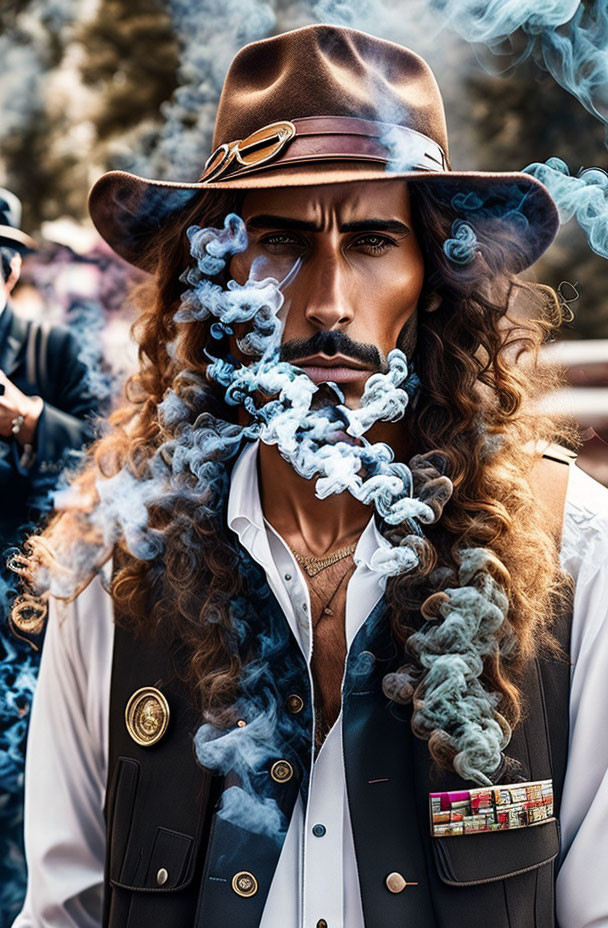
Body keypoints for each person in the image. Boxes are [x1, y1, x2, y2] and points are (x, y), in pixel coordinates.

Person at [12, 25, 608, 928]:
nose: (328, 301)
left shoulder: (578, 553)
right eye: (284, 240)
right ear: (216, 274)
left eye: (372, 240)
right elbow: (62, 914)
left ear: (432, 277)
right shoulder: (114, 565)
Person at [0, 188, 102, 923]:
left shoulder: (50, 350)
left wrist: (29, 419)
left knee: (29, 797)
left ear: (7, 274)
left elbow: (109, 461)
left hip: (25, 618)